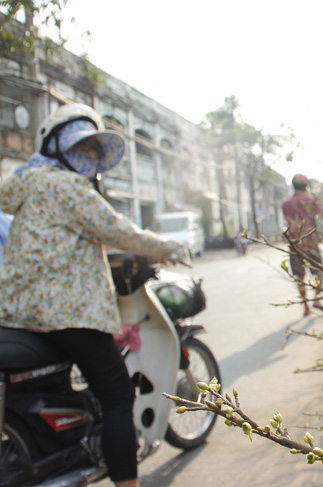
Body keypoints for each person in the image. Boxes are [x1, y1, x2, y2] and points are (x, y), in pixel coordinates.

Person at [0, 103, 186, 487]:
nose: (88, 156)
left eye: (92, 150)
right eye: (79, 148)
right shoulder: (67, 186)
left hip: (20, 313)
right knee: (117, 395)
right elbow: (118, 230)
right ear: (56, 147)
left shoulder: (28, 181)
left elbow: (67, 235)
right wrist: (169, 247)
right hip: (67, 313)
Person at [282, 173, 323, 316]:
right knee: (318, 272)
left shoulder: (285, 203)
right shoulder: (311, 200)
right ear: (306, 186)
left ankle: (306, 307)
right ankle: (317, 299)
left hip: (295, 245)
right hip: (311, 243)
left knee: (300, 277)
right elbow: (322, 215)